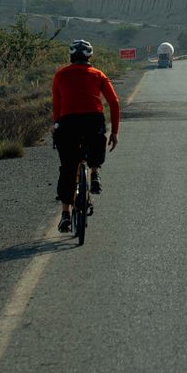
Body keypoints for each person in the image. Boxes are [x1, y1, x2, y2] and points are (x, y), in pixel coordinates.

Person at [52, 39, 120, 233]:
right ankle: (95, 172)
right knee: (95, 149)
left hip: (68, 123)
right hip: (93, 121)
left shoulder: (60, 75)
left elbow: (57, 105)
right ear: (90, 56)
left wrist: (56, 126)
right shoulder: (98, 74)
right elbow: (114, 102)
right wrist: (114, 131)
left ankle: (65, 213)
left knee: (68, 167)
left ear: (71, 57)